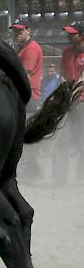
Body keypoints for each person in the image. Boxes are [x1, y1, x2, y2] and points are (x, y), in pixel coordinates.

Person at [53, 21, 84, 185]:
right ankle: (60, 178)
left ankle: (81, 175)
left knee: (82, 140)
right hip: (68, 100)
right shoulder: (66, 52)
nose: (69, 36)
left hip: (82, 102)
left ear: (81, 35)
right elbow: (62, 73)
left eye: (73, 34)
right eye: (69, 33)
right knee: (61, 137)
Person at [10, 18, 43, 112]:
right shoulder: (24, 47)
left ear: (28, 31)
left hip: (28, 95)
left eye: (21, 30)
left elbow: (25, 76)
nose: (17, 33)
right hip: (26, 94)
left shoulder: (30, 49)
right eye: (15, 30)